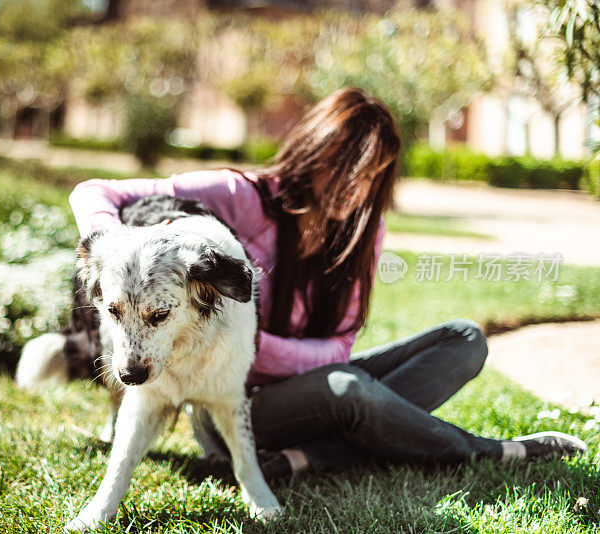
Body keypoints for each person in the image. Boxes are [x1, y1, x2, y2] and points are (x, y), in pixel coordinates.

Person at [67, 87, 587, 480]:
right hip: (233, 402)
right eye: (345, 166)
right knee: (350, 389)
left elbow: (339, 345)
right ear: (315, 151)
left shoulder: (365, 231)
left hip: (320, 391)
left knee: (464, 340)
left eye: (371, 175)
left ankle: (302, 459)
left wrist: (300, 363)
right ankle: (493, 450)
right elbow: (95, 191)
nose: (354, 187)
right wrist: (111, 243)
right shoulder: (244, 196)